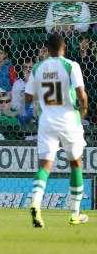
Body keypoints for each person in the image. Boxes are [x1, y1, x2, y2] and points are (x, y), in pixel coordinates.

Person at [25, 33, 89, 227]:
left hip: (47, 120)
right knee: (76, 164)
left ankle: (36, 202)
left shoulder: (38, 67)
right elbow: (81, 94)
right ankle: (74, 213)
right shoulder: (71, 65)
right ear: (64, 47)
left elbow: (28, 97)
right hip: (69, 118)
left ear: (47, 49)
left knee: (44, 165)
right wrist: (84, 110)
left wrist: (41, 97)